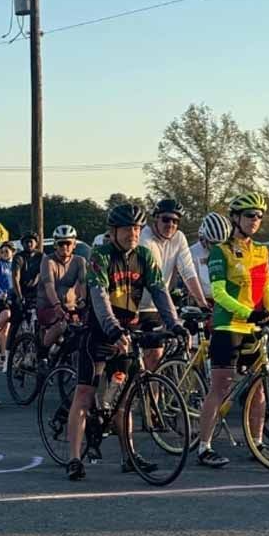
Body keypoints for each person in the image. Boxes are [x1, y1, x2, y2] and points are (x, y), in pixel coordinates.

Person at [64, 204, 185, 482]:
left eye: (137, 228)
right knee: (84, 394)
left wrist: (175, 324)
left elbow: (160, 292)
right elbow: (100, 296)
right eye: (127, 228)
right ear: (113, 231)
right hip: (99, 334)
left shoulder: (144, 256)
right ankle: (73, 458)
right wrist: (113, 330)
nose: (133, 233)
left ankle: (128, 456)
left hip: (127, 333)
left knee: (124, 399)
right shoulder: (101, 256)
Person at [195, 193, 269, 469]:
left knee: (258, 389)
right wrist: (247, 312)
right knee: (220, 387)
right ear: (235, 218)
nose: (255, 220)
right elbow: (218, 292)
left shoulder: (262, 251)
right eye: (249, 215)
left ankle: (257, 442)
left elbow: (265, 287)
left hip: (253, 326)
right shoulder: (222, 251)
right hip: (227, 325)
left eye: (258, 216)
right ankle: (204, 446)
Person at [137, 198, 209, 373]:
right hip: (135, 306)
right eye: (166, 219)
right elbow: (155, 279)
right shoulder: (144, 239)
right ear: (155, 218)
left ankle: (151, 399)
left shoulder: (179, 238)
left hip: (156, 307)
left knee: (155, 359)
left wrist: (202, 304)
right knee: (127, 366)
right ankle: (115, 396)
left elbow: (188, 273)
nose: (171, 224)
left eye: (176, 221)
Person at [35, 225, 86, 355]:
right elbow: (49, 286)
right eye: (61, 243)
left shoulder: (80, 261)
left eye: (68, 243)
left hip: (69, 305)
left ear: (74, 244)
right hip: (47, 304)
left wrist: (83, 301)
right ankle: (43, 353)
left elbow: (83, 283)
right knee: (61, 325)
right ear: (55, 245)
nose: (65, 247)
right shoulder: (48, 261)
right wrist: (57, 305)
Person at [188, 212, 231, 300]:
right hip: (203, 300)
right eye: (214, 244)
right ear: (203, 239)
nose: (218, 248)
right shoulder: (192, 253)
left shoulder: (230, 250)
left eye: (222, 244)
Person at [11, 234, 43, 307]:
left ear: (36, 243)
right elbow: (15, 277)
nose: (29, 244)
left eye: (31, 242)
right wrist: (20, 297)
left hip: (38, 293)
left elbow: (47, 275)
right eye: (26, 242)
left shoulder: (41, 256)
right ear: (22, 244)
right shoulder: (18, 257)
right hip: (22, 291)